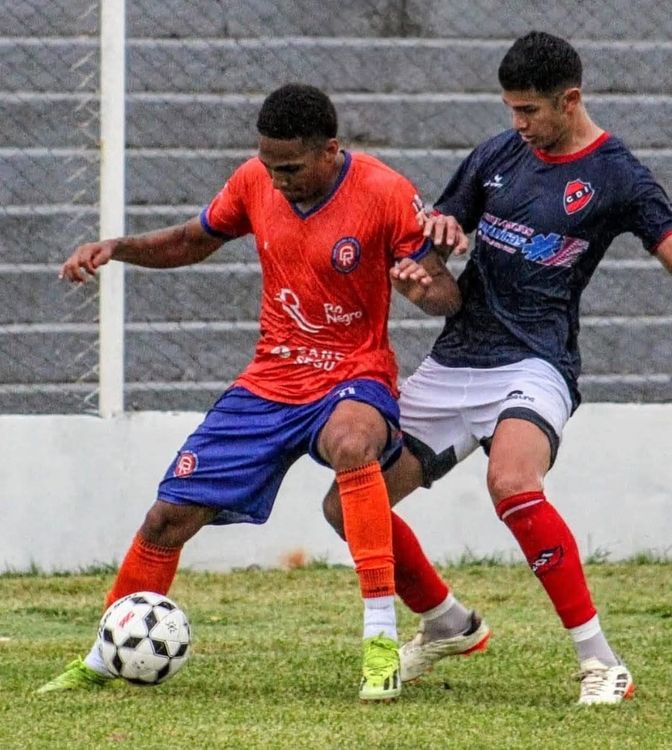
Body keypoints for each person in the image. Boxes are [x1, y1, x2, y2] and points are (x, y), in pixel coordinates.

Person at [322, 31, 672, 705]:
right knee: (349, 506)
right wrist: (423, 278)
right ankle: (448, 623)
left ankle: (601, 663)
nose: (518, 126)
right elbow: (439, 264)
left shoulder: (619, 175)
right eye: (511, 110)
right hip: (461, 355)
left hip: (535, 362)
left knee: (512, 481)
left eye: (529, 112)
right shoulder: (497, 155)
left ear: (569, 100)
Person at [37, 83, 461, 702]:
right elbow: (192, 239)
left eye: (289, 168)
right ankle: (106, 654)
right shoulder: (254, 180)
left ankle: (379, 642)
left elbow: (446, 294)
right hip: (269, 381)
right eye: (267, 165)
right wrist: (118, 248)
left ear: (330, 151)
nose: (277, 180)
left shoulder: (385, 193)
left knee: (352, 443)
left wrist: (423, 290)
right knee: (167, 517)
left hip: (353, 373)